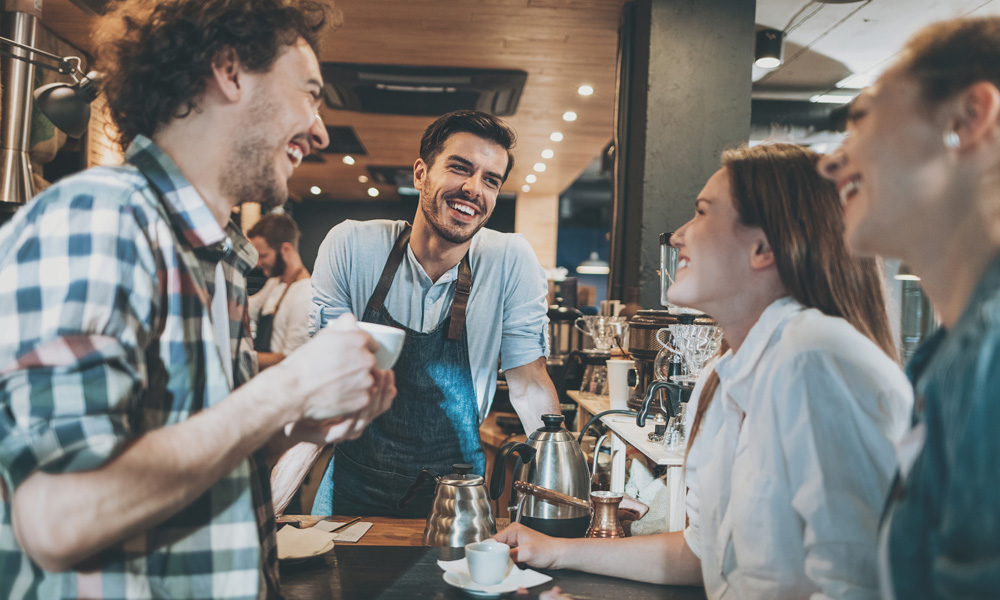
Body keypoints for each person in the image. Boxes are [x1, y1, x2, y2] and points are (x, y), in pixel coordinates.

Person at [0, 1, 395, 598]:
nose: (319, 130)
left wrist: (296, 427)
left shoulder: (222, 262)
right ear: (229, 70)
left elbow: (196, 477)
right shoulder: (99, 216)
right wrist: (285, 387)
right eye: (309, 92)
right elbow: (59, 518)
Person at [496, 143, 913, 600]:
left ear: (761, 248)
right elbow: (701, 554)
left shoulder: (819, 360)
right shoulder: (722, 376)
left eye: (701, 213)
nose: (677, 235)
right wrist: (557, 551)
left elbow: (861, 586)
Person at [272, 110, 561, 518]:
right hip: (352, 488)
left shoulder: (511, 260)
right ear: (421, 173)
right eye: (460, 168)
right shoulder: (352, 247)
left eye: (490, 180)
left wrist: (573, 495)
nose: (473, 188)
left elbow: (530, 387)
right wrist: (266, 514)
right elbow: (325, 389)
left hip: (458, 496)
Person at [818, 17, 1000, 599]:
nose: (829, 162)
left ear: (968, 119)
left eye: (861, 116)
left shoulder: (990, 356)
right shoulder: (955, 356)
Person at [248, 213, 312, 369]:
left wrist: (242, 357)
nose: (258, 263)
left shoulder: (305, 294)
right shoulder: (274, 283)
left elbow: (292, 358)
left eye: (263, 256)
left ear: (286, 249)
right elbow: (247, 308)